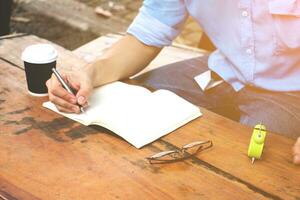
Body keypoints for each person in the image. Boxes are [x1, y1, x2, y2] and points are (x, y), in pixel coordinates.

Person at [46, 0, 300, 164]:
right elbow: (148, 33)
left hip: (291, 90)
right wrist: (90, 73)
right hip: (222, 69)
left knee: (253, 166)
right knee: (127, 115)